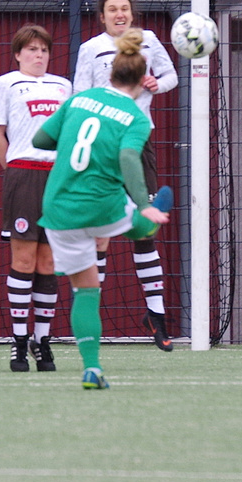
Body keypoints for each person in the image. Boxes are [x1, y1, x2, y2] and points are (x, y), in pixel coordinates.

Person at [34, 30, 174, 389]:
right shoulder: (136, 116)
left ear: (110, 74)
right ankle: (147, 220)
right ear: (142, 81)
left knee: (86, 288)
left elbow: (40, 140)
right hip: (102, 203)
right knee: (140, 225)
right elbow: (129, 157)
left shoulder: (79, 100)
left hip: (59, 206)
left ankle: (92, 368)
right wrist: (145, 203)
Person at [73, 0, 179, 350]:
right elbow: (78, 95)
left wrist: (156, 83)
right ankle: (93, 317)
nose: (119, 14)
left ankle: (157, 316)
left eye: (125, 9)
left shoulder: (149, 41)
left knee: (145, 228)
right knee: (99, 234)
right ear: (101, 16)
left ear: (132, 15)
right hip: (103, 146)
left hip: (138, 143)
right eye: (112, 10)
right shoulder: (91, 49)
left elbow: (171, 77)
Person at [0, 24, 72, 373]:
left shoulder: (64, 86)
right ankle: (19, 342)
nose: (38, 55)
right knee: (23, 259)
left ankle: (43, 341)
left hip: (56, 177)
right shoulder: (5, 84)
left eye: (43, 50)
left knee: (49, 262)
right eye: (32, 49)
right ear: (18, 53)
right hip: (23, 173)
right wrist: (11, 169)